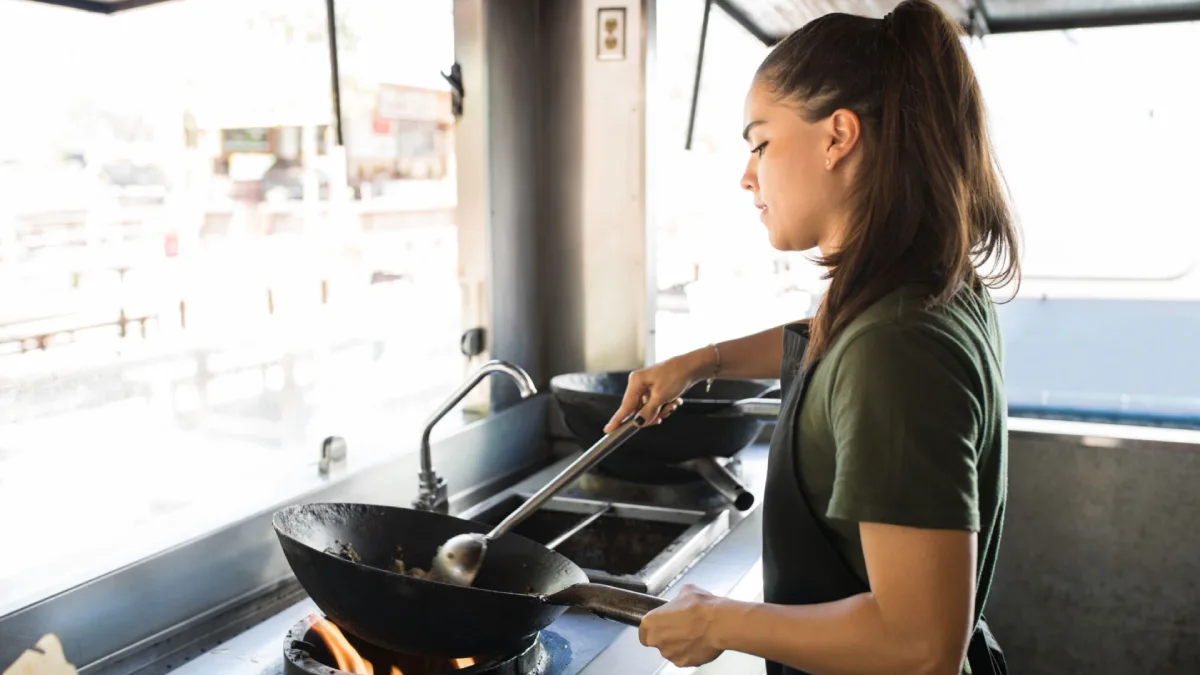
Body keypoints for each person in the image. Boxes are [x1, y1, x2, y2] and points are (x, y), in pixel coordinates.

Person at [603, 1, 1020, 673]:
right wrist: (699, 363)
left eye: (760, 142)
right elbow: (832, 339)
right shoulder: (917, 286)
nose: (748, 175)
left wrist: (720, 620)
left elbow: (920, 644)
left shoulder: (898, 348)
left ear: (837, 137)